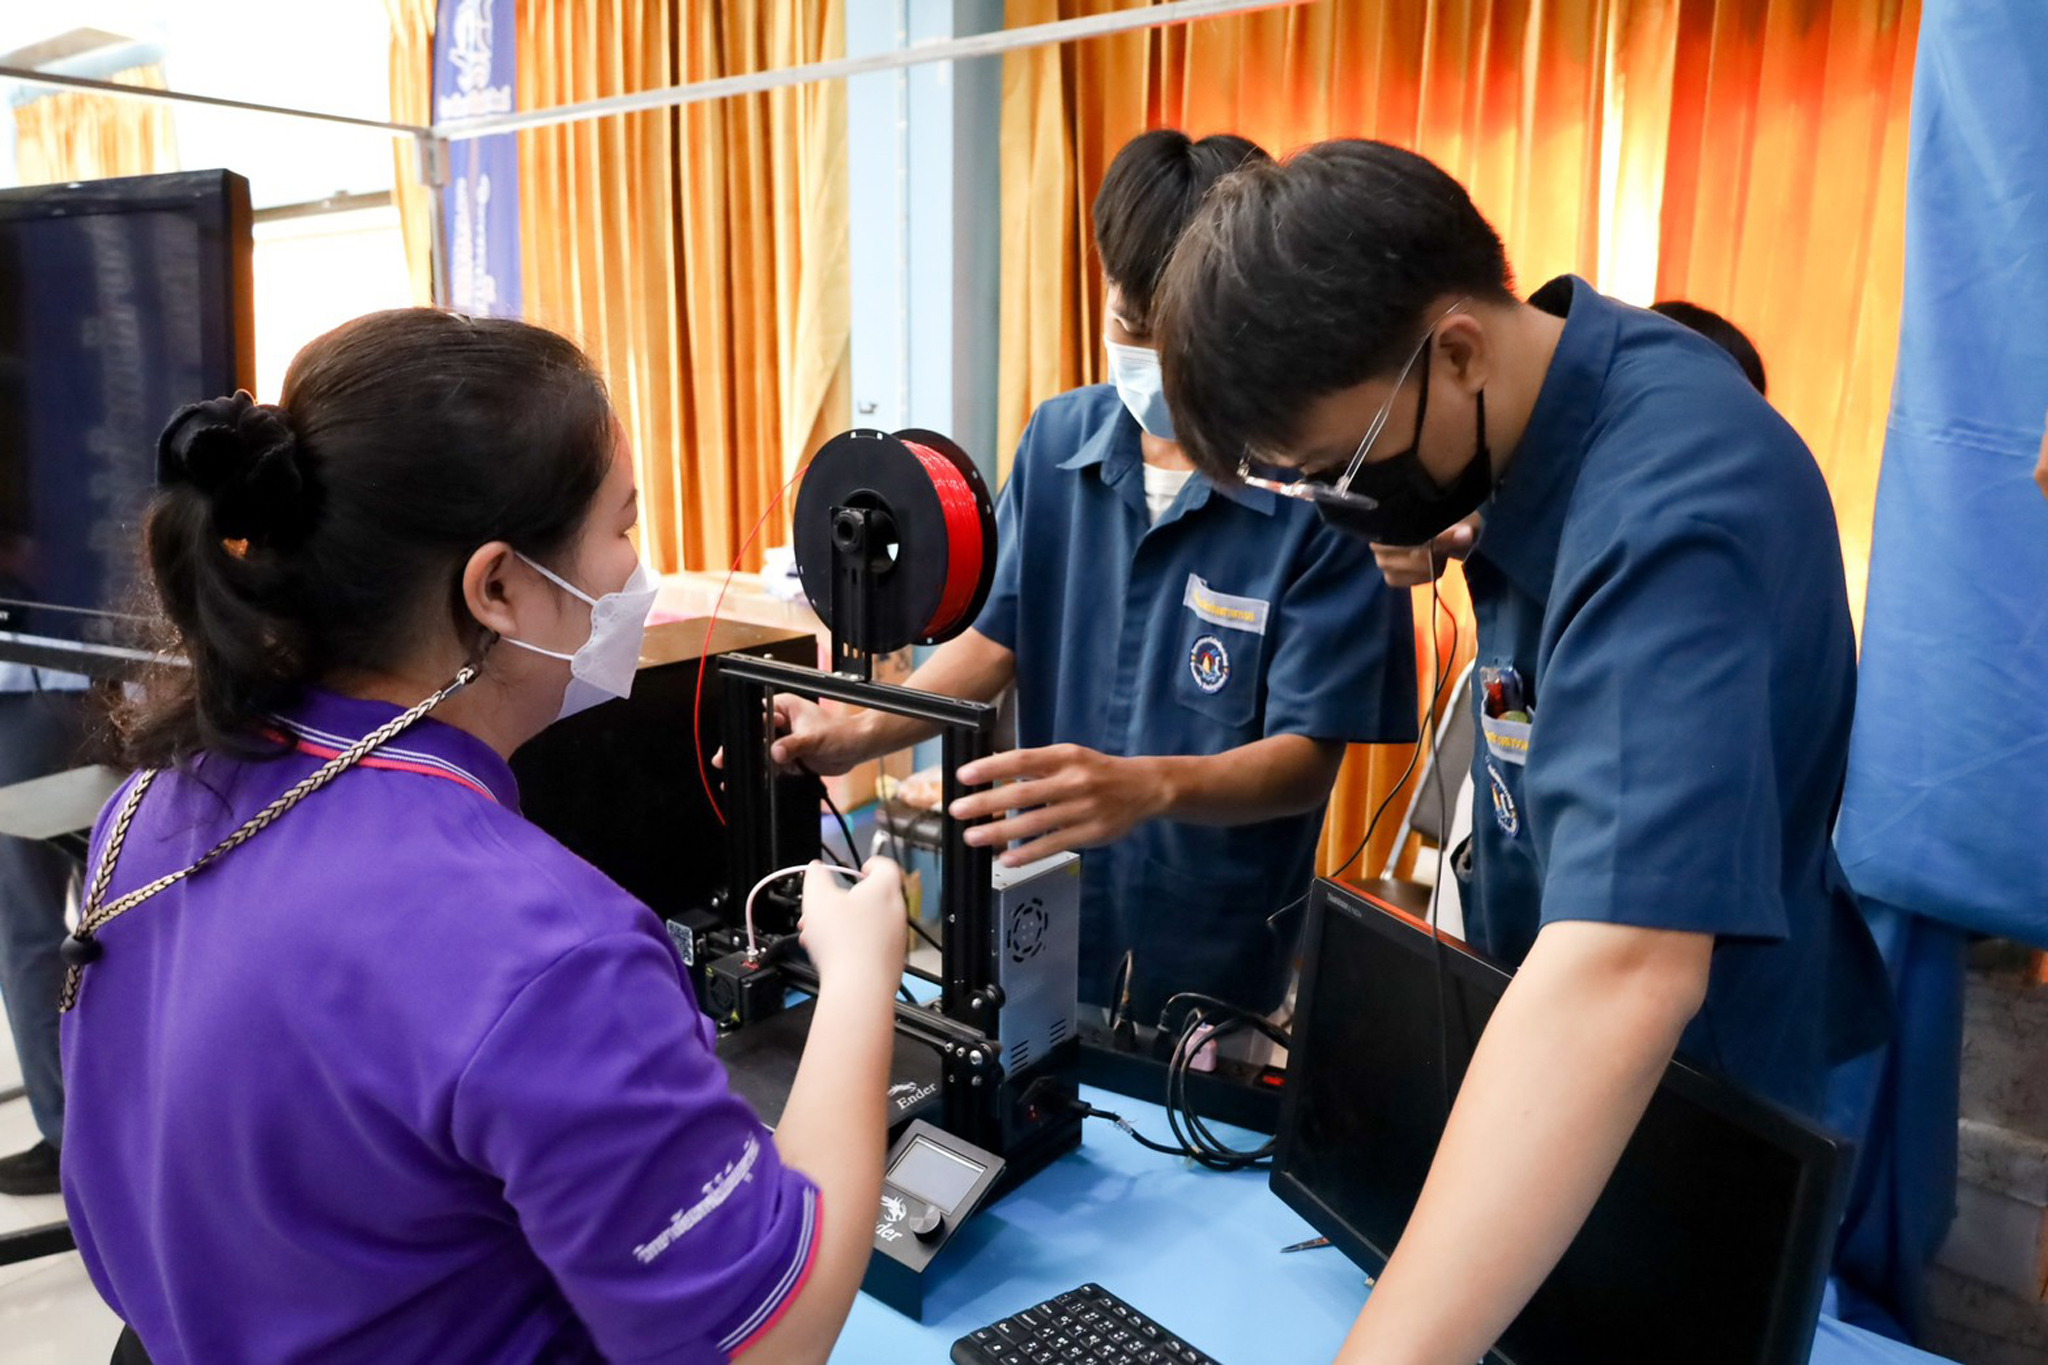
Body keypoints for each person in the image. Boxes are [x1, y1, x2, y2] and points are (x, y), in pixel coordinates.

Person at [1154, 139, 1889, 1362]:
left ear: (1453, 352)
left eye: (1342, 466)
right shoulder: (1531, 430)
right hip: (1555, 1073)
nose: (1342, 505)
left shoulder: (1672, 508)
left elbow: (1623, 970)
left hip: (1689, 1112)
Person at [60, 310, 905, 1363]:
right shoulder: (546, 946)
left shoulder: (142, 808)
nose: (635, 572)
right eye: (623, 527)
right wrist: (864, 970)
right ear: (499, 586)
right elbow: (765, 1344)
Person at [767, 129, 1416, 1026]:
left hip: (1215, 944)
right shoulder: (1060, 442)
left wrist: (1148, 786)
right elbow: (994, 642)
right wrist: (854, 732)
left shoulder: (1315, 488)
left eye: (1175, 337)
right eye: (1126, 326)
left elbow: (1307, 760)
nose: (1147, 360)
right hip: (1048, 919)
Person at [0, 623, 87, 1197]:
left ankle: (67, 1138)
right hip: (104, 675)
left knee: (26, 923)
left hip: (25, 688)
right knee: (127, 903)